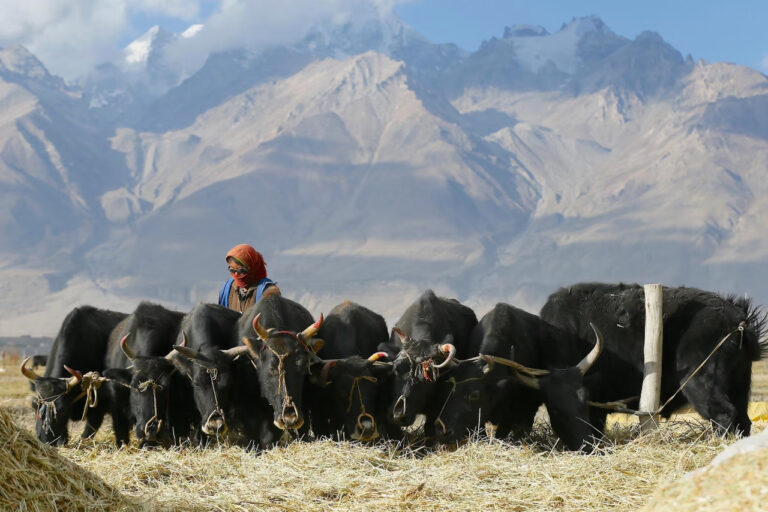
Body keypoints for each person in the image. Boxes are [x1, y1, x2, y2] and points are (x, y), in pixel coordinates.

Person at [218, 244, 280, 312]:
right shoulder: (227, 289)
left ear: (252, 267)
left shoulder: (267, 290)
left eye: (241, 270)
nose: (236, 274)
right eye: (232, 270)